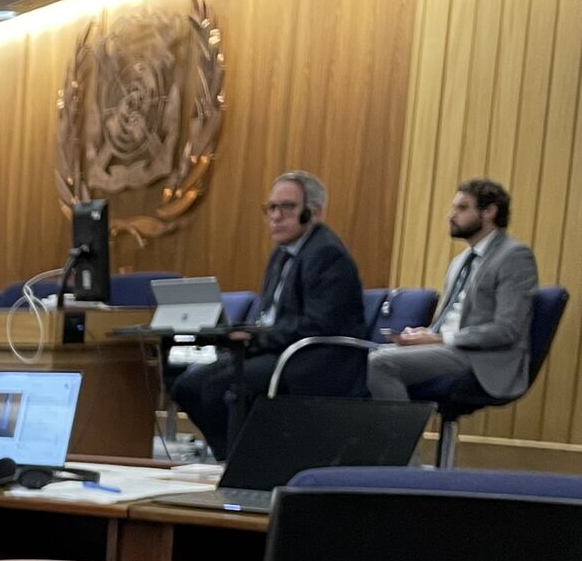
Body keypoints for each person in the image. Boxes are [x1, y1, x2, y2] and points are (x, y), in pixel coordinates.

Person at [171, 170, 365, 459]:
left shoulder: (326, 254)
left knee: (218, 387)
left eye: (287, 207)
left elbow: (318, 324)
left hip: (316, 359)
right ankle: (234, 458)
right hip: (278, 349)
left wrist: (256, 339)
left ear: (314, 212)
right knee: (187, 386)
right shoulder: (281, 253)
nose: (276, 216)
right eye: (271, 208)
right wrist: (242, 333)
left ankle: (244, 463)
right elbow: (271, 317)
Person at [368, 178, 540, 406]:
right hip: (449, 348)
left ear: (489, 212)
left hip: (483, 357)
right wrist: (425, 334)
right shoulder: (460, 261)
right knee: (363, 354)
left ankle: (401, 442)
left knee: (381, 363)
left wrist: (440, 338)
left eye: (462, 208)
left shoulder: (514, 257)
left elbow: (506, 330)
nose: (451, 215)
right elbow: (450, 319)